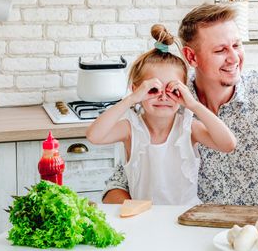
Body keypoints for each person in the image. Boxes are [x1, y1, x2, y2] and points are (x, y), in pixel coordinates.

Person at [101, 4, 258, 206]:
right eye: (220, 50)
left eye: (236, 45)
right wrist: (143, 216)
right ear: (191, 57)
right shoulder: (168, 100)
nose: (234, 58)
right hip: (198, 229)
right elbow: (124, 179)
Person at [86, 24, 236, 205]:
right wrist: (131, 99)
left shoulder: (188, 128)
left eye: (172, 89)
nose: (163, 96)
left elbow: (228, 144)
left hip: (186, 220)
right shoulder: (131, 129)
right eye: (153, 89)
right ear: (137, 89)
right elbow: (94, 136)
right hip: (144, 220)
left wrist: (193, 104)